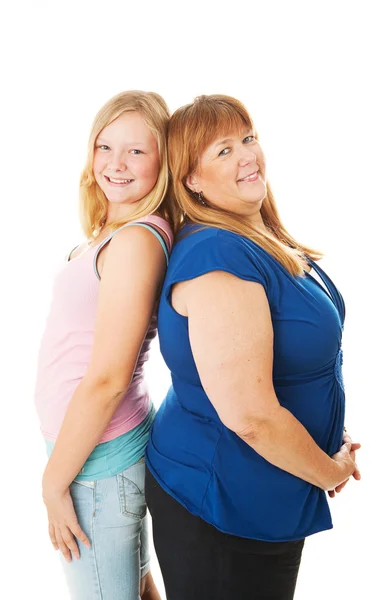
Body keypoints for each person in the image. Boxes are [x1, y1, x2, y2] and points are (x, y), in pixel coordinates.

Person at [145, 94, 361, 600]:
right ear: (191, 180)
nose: (247, 155)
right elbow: (250, 416)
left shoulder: (255, 236)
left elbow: (293, 362)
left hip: (265, 493)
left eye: (248, 138)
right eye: (223, 150)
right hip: (220, 503)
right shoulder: (218, 255)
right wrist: (331, 470)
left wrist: (324, 435)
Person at [35, 90, 176, 600]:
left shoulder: (136, 239)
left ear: (164, 160)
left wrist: (54, 483)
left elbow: (109, 377)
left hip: (96, 462)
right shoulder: (114, 230)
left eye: (137, 151)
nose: (115, 164)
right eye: (105, 146)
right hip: (94, 452)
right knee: (135, 588)